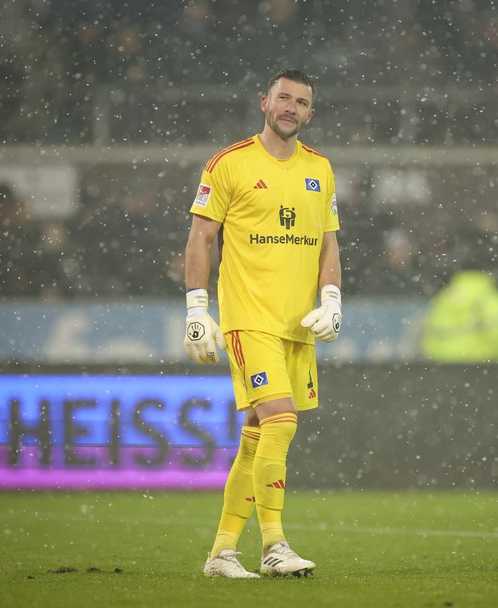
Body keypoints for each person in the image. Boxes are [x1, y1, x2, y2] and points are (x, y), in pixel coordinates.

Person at [183, 68, 342, 579]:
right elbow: (201, 238)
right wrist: (195, 308)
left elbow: (328, 242)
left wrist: (333, 299)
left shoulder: (321, 168)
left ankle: (220, 554)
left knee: (256, 433)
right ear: (264, 103)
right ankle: (275, 546)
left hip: (298, 326)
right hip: (249, 319)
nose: (290, 107)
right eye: (283, 98)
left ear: (310, 113)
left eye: (301, 102)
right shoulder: (229, 164)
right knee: (281, 419)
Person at [420, 268, 498, 363]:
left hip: (443, 364)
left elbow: (431, 332)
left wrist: (434, 358)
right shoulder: (492, 298)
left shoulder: (445, 296)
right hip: (481, 365)